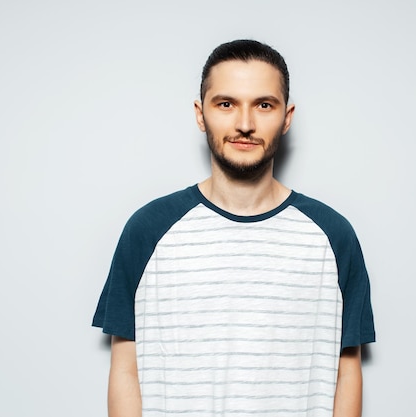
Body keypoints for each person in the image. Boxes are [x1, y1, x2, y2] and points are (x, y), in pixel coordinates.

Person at [92, 39, 375, 417]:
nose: (245, 123)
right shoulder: (148, 230)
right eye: (226, 104)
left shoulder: (333, 235)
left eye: (264, 105)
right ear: (200, 113)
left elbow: (347, 370)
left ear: (287, 117)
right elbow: (126, 367)